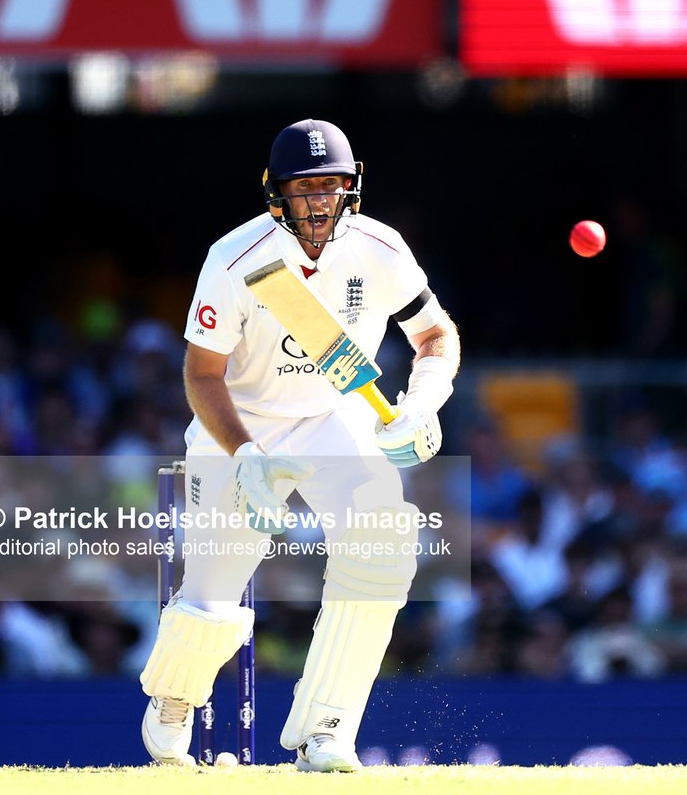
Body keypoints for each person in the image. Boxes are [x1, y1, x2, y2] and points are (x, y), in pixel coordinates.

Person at [138, 118, 460, 772]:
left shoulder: (380, 249)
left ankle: (327, 732)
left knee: (384, 544)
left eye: (332, 185)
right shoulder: (234, 259)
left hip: (332, 419)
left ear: (353, 188)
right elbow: (201, 374)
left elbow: (435, 338)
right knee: (211, 599)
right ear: (275, 193)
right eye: (304, 187)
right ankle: (173, 698)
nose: (318, 200)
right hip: (242, 426)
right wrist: (246, 455)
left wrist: (423, 403)